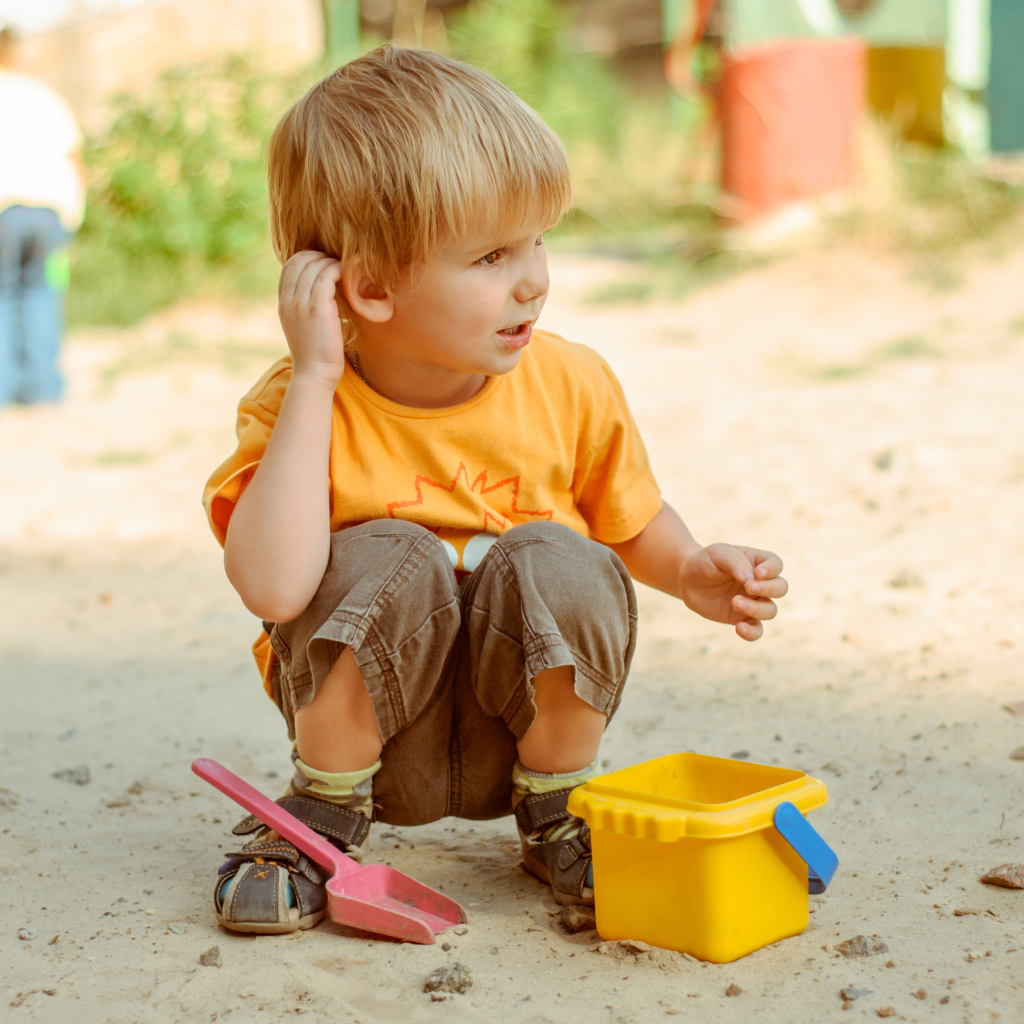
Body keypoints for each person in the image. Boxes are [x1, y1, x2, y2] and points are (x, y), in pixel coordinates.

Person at [203, 45, 788, 934]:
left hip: (517, 739)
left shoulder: (572, 383)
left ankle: (559, 811)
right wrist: (318, 375)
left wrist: (690, 567)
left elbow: (629, 519)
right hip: (371, 749)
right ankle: (318, 816)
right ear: (368, 286)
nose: (535, 279)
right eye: (490, 256)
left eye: (540, 239)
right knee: (388, 549)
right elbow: (275, 589)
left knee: (560, 553)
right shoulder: (296, 406)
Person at [0, 24, 84, 406]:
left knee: (3, 298)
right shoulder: (43, 97)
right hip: (49, 215)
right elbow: (73, 158)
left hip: (4, 212)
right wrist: (74, 215)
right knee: (41, 294)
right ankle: (44, 392)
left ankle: (5, 390)